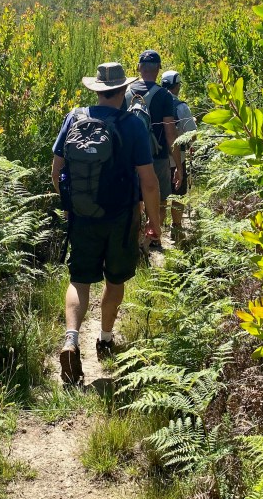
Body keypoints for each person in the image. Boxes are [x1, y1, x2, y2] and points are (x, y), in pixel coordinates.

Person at [52, 62, 161, 385]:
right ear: (124, 90)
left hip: (82, 216)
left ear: (96, 90)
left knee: (79, 280)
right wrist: (155, 223)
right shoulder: (132, 125)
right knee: (115, 282)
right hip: (121, 217)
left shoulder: (74, 118)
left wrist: (73, 204)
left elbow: (56, 170)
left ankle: (71, 339)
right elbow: (150, 182)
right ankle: (105, 339)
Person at [125, 49, 182, 246]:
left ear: (139, 67)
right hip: (157, 157)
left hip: (129, 157)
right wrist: (178, 166)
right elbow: (170, 133)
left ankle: (138, 237)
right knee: (160, 198)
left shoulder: (125, 93)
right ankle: (154, 238)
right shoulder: (164, 96)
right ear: (159, 68)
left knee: (135, 198)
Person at [160, 70, 197, 237]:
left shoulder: (153, 103)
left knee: (159, 194)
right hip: (177, 158)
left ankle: (156, 230)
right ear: (177, 86)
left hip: (155, 158)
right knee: (178, 192)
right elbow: (192, 135)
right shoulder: (181, 107)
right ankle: (176, 227)